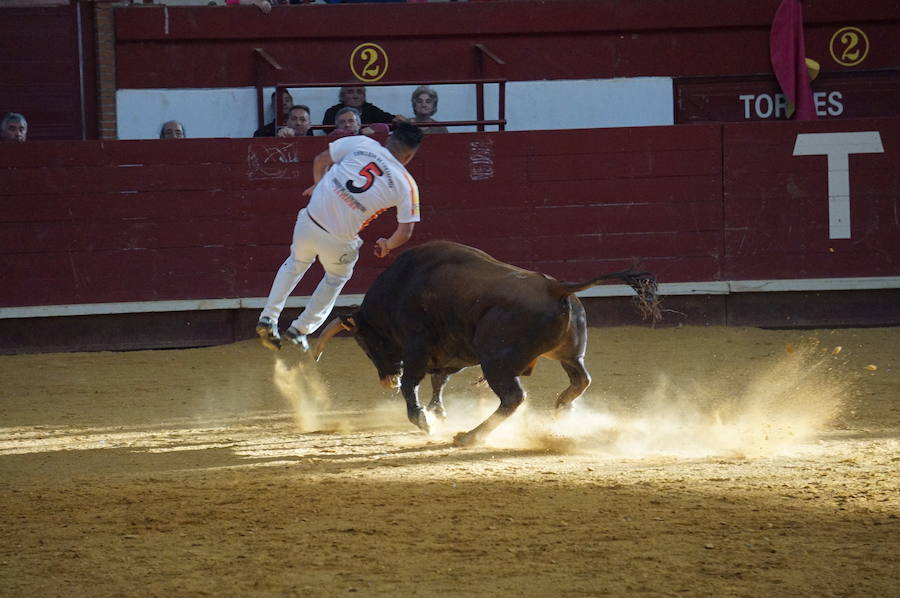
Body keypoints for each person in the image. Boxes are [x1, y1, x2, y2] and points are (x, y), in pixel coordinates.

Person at [255, 120, 425, 352]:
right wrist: (387, 243)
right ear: (409, 157)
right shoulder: (407, 185)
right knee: (336, 277)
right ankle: (301, 329)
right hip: (339, 240)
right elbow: (405, 232)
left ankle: (268, 317)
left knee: (295, 263)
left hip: (309, 221)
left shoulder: (363, 142)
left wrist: (320, 185)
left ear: (388, 140)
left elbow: (320, 160)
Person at [321, 85, 403, 129]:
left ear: (364, 96)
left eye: (359, 92)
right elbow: (328, 129)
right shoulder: (332, 112)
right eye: (350, 92)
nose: (355, 96)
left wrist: (396, 119)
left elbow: (387, 120)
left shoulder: (370, 109)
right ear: (342, 96)